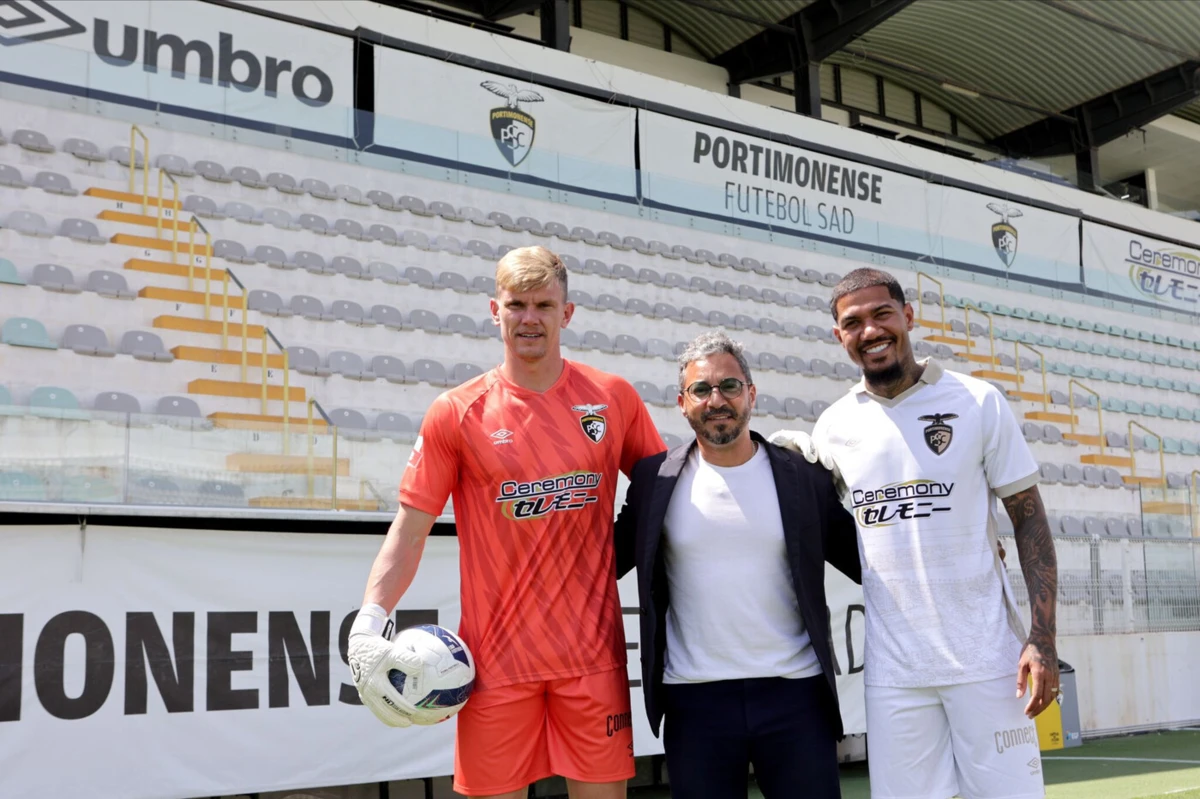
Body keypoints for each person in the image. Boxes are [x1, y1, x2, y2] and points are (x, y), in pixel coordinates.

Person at [347, 246, 666, 799]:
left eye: (544, 304)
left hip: (592, 662)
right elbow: (411, 528)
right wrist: (369, 621)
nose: (530, 318)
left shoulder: (612, 399)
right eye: (516, 304)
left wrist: (756, 459)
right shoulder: (458, 411)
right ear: (494, 311)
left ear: (567, 314)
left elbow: (671, 493)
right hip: (493, 667)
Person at [772, 267, 1059, 799]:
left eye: (882, 314)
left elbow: (1029, 519)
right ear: (840, 337)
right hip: (895, 672)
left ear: (907, 315)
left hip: (988, 663)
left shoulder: (977, 401)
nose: (871, 331)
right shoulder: (834, 425)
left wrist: (1042, 640)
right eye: (853, 323)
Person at [614, 331, 861, 799]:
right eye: (701, 390)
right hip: (695, 700)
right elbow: (601, 564)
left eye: (729, 386)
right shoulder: (653, 480)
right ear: (682, 403)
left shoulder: (803, 476)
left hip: (796, 695)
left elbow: (868, 562)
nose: (716, 400)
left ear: (751, 393)